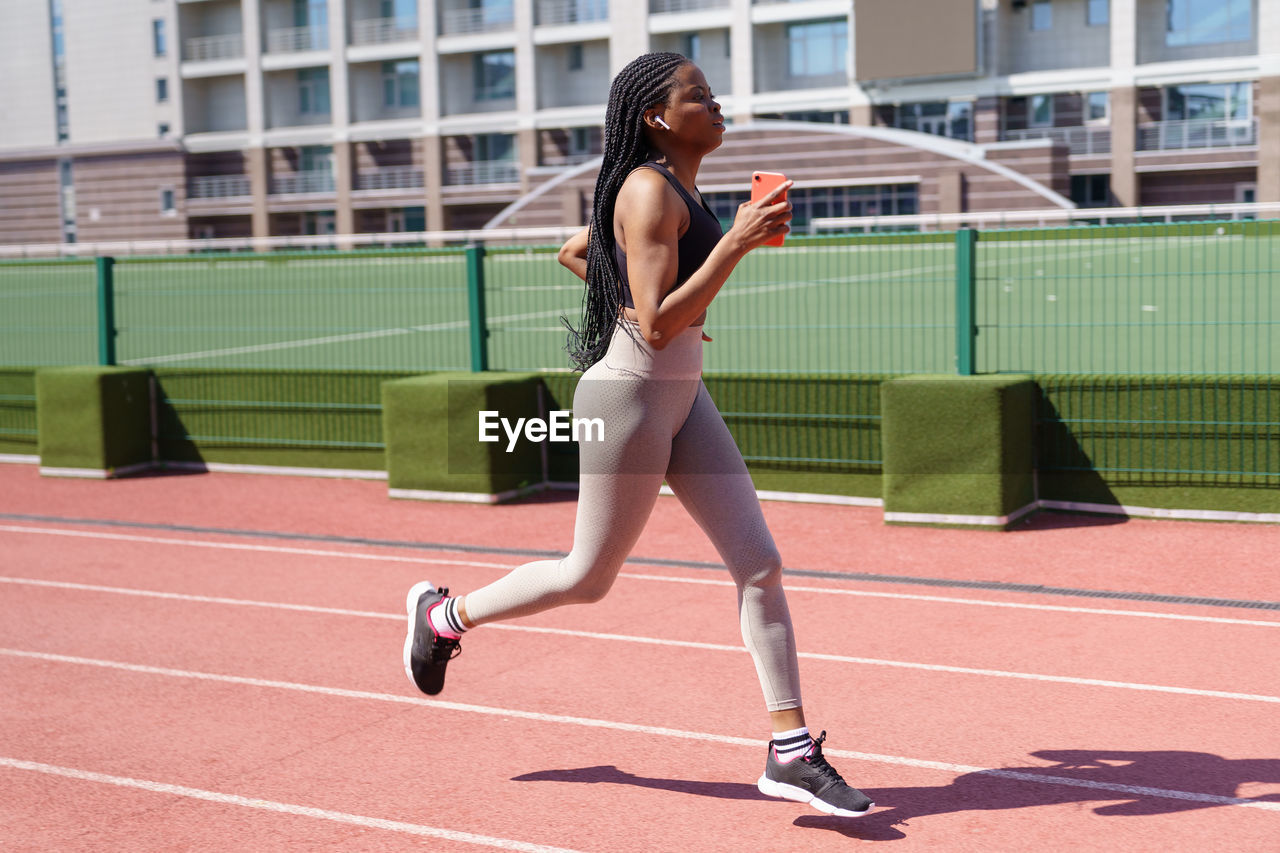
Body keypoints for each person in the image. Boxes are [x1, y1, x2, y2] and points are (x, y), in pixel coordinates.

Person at [403, 52, 873, 819]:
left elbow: (582, 252)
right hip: (630, 399)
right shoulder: (650, 187)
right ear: (656, 115)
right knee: (588, 577)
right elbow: (654, 325)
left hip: (682, 397)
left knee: (760, 565)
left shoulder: (671, 185)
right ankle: (441, 616)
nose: (716, 105)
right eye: (699, 96)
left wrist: (673, 307)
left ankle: (791, 752)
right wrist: (734, 246)